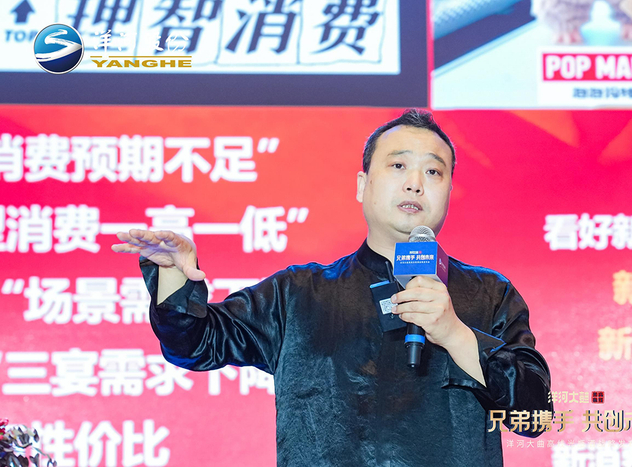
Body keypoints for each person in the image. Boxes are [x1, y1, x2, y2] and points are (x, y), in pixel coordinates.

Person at [112, 109, 553, 467]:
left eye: (433, 172)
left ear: (449, 191)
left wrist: (455, 334)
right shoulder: (297, 293)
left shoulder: (489, 294)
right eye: (398, 165)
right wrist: (173, 275)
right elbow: (194, 344)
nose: (415, 183)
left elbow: (535, 415)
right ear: (363, 185)